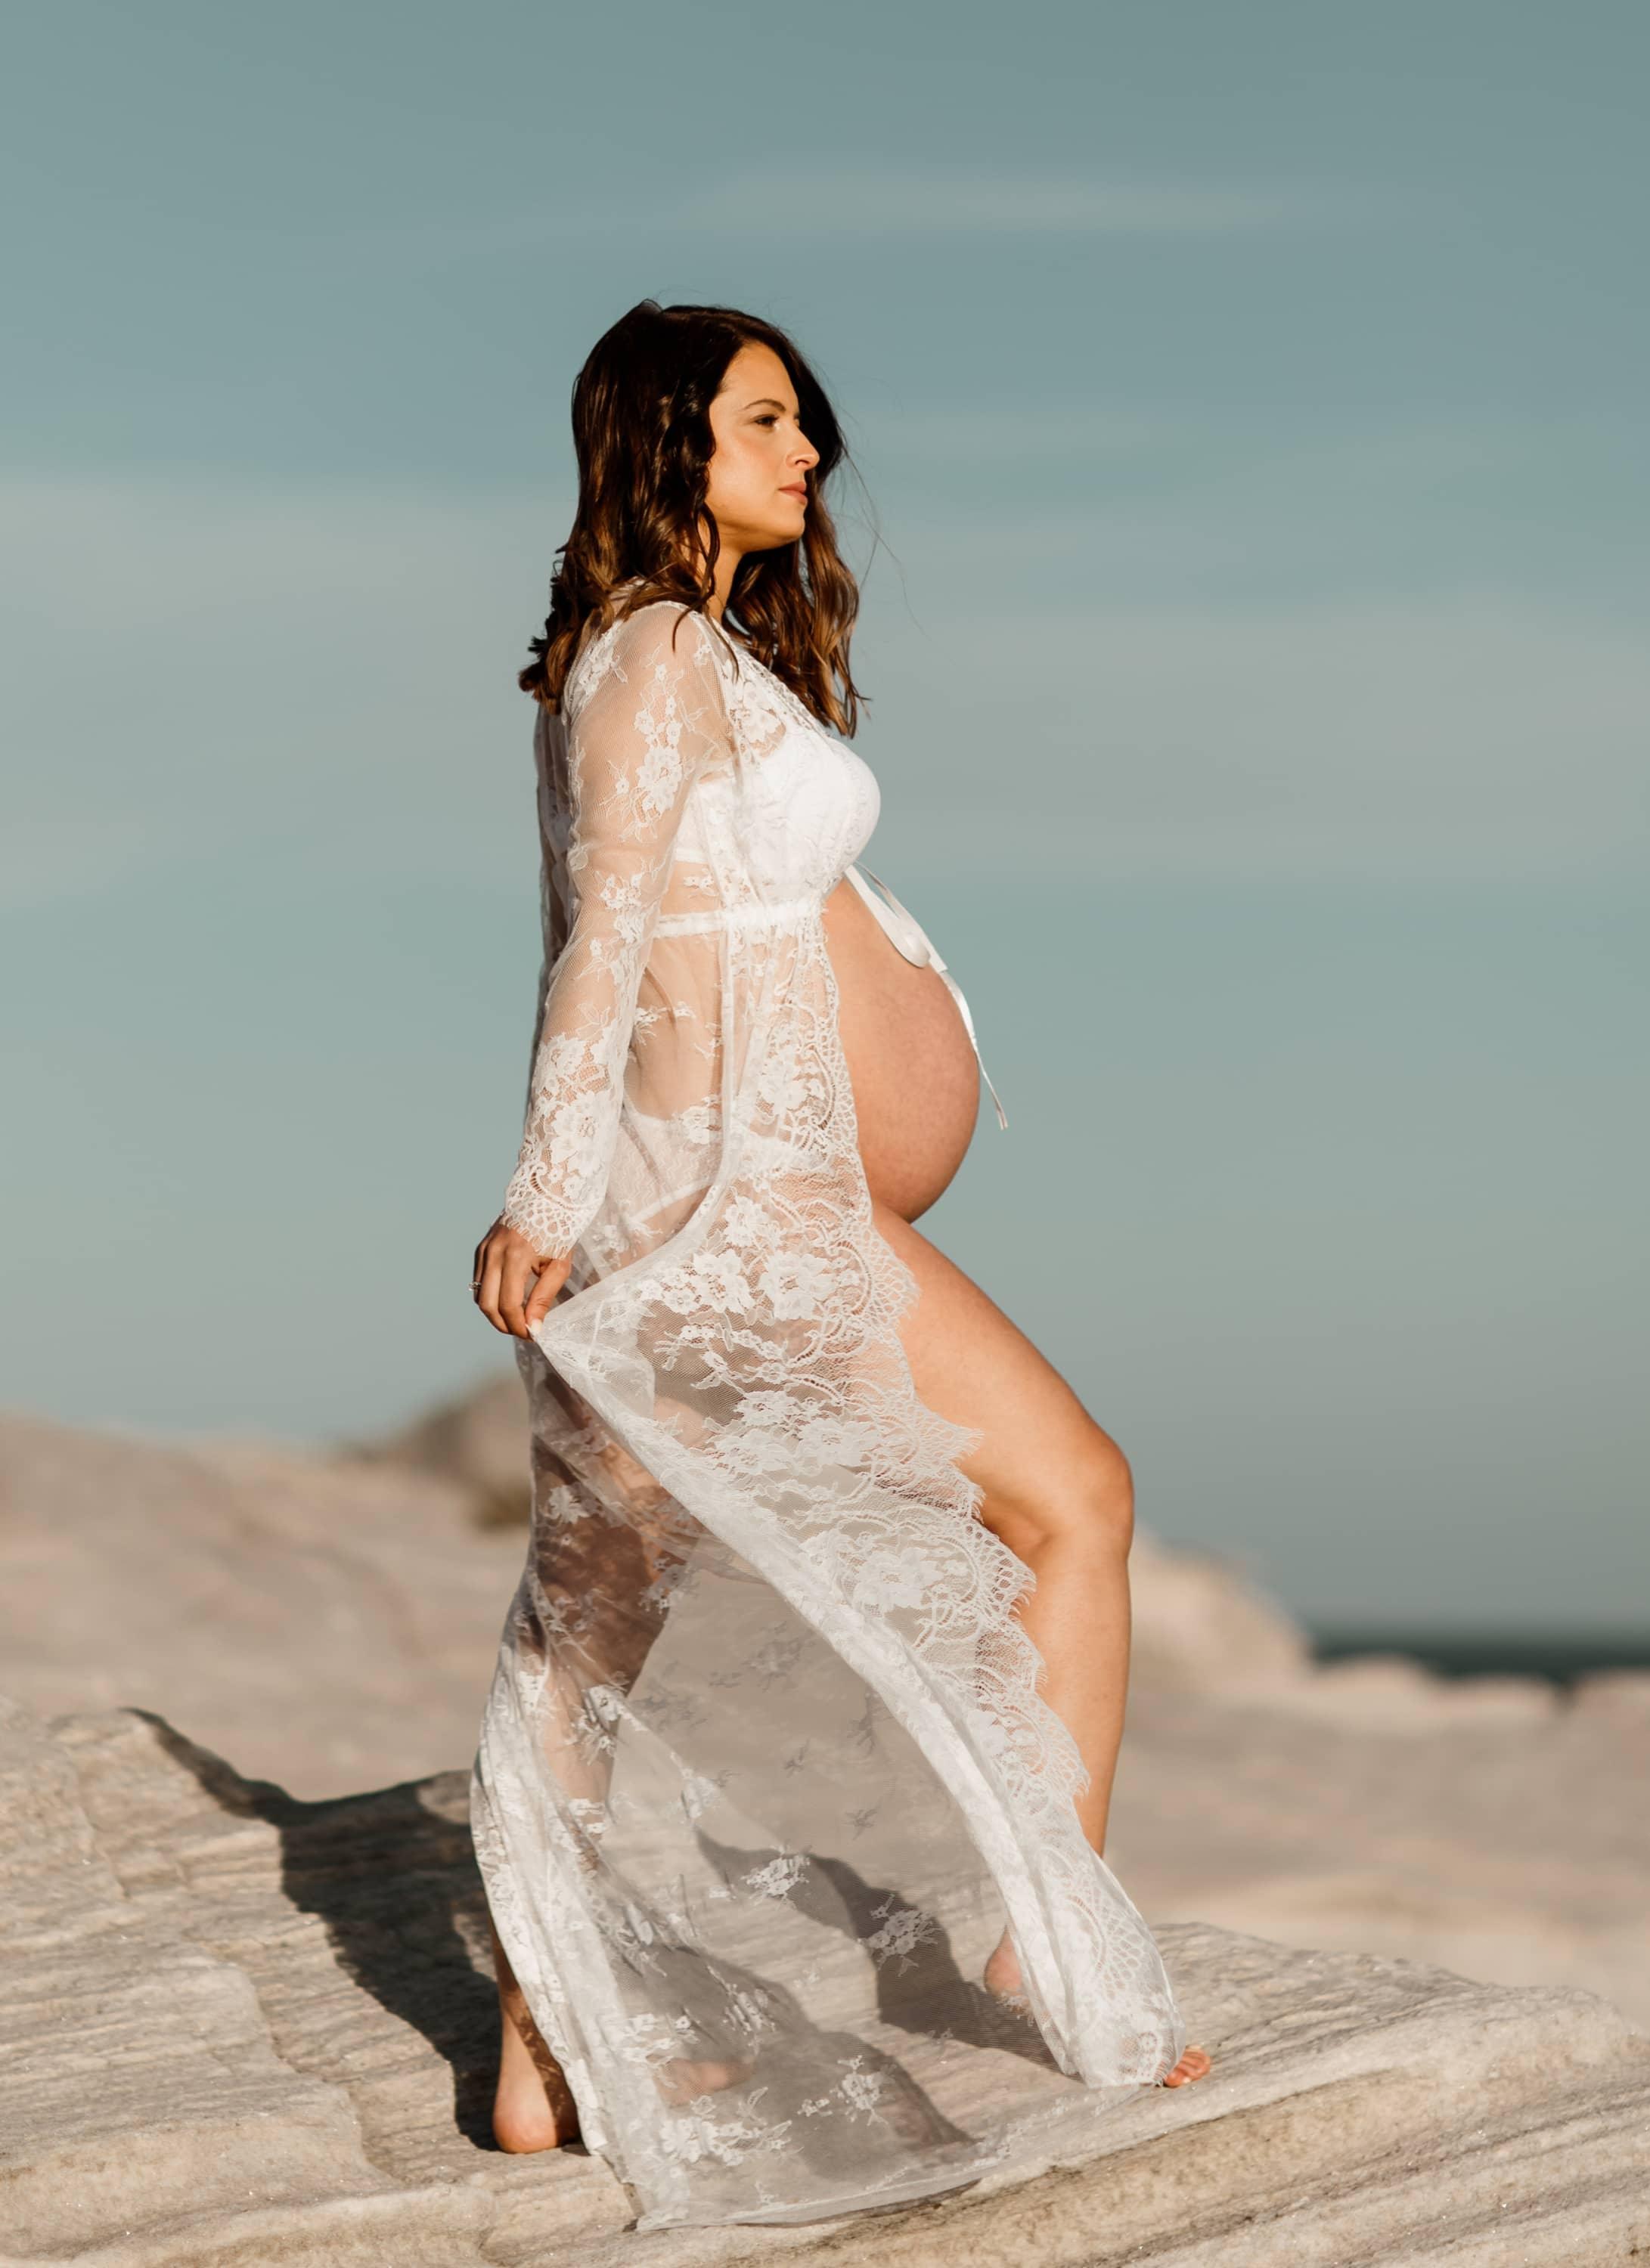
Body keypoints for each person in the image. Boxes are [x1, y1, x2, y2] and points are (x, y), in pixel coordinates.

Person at [469, 299, 1209, 2232]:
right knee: (1079, 1502)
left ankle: (544, 2050)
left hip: (733, 1203)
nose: (810, 453)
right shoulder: (644, 655)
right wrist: (549, 1199)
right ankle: (1045, 1956)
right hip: (735, 1213)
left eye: (805, 423)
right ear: (666, 442)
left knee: (600, 1615)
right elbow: (600, 939)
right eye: (766, 421)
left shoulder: (677, 655)